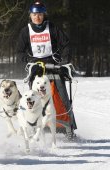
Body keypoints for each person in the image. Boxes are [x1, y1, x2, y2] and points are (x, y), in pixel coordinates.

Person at [16, 1, 77, 139]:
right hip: (36, 68)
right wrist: (30, 61)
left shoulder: (53, 28)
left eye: (40, 14)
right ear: (30, 15)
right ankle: (33, 126)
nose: (37, 17)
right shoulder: (25, 31)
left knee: (61, 96)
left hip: (54, 66)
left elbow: (66, 44)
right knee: (34, 98)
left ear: (44, 15)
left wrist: (64, 61)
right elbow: (19, 52)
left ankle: (68, 125)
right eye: (34, 14)